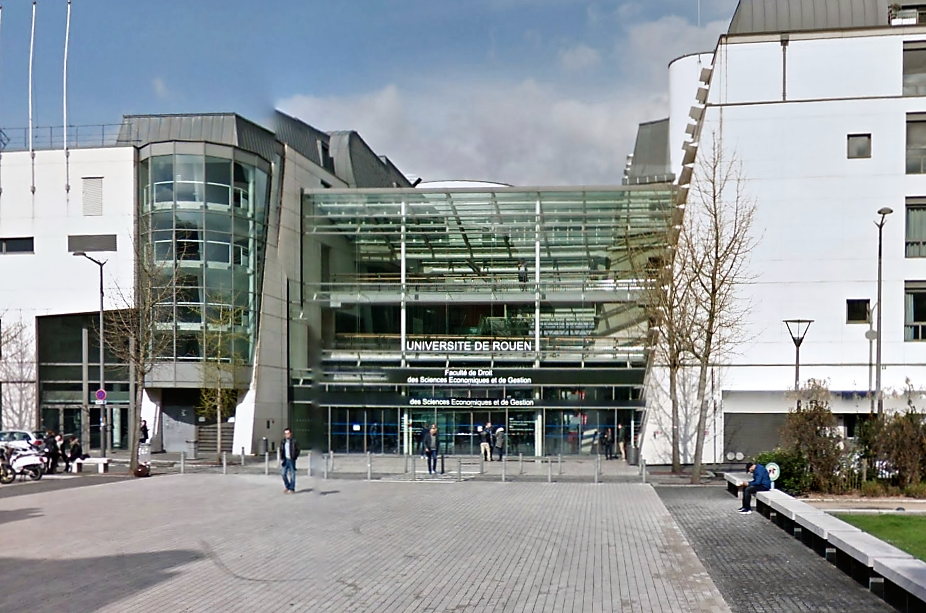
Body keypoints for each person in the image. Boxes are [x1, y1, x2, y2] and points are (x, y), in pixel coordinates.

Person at [279, 428, 300, 494]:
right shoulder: (283, 441)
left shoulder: (294, 441)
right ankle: (287, 486)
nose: (287, 435)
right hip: (285, 460)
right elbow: (281, 449)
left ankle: (292, 488)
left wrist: (294, 457)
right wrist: (282, 457)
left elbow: (298, 450)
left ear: (290, 433)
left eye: (288, 433)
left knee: (292, 475)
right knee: (283, 474)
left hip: (291, 460)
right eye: (285, 433)